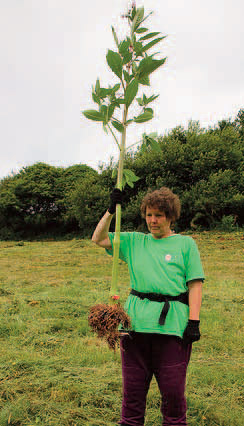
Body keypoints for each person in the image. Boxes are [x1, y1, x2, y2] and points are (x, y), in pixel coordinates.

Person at [92, 187, 204, 426]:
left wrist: (193, 322)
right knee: (132, 396)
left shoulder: (186, 245)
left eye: (159, 215)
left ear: (171, 216)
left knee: (173, 396)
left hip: (172, 329)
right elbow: (98, 238)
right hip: (134, 327)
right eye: (149, 214)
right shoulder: (134, 241)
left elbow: (195, 285)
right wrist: (111, 210)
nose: (153, 220)